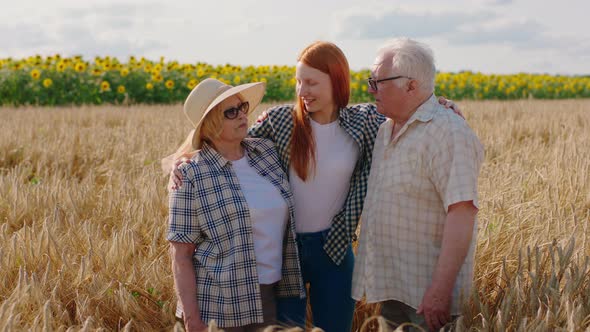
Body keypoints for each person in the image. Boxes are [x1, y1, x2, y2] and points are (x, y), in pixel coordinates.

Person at [164, 41, 461, 332]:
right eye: (298, 82)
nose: (302, 91)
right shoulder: (280, 121)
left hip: (334, 248)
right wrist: (182, 160)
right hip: (285, 250)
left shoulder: (366, 121)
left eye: (311, 82)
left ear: (336, 81)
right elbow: (225, 140)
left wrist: (442, 106)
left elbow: (410, 109)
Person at [351, 37, 484, 332]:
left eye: (377, 82)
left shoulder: (448, 133)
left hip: (427, 298)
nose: (369, 89)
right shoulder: (385, 128)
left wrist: (439, 290)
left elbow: (462, 212)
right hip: (394, 287)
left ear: (411, 85)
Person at [166, 78, 305, 332]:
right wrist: (191, 319)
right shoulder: (190, 175)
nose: (242, 115)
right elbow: (181, 256)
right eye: (231, 112)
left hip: (271, 293)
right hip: (219, 304)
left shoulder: (266, 152)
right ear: (209, 124)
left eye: (242, 107)